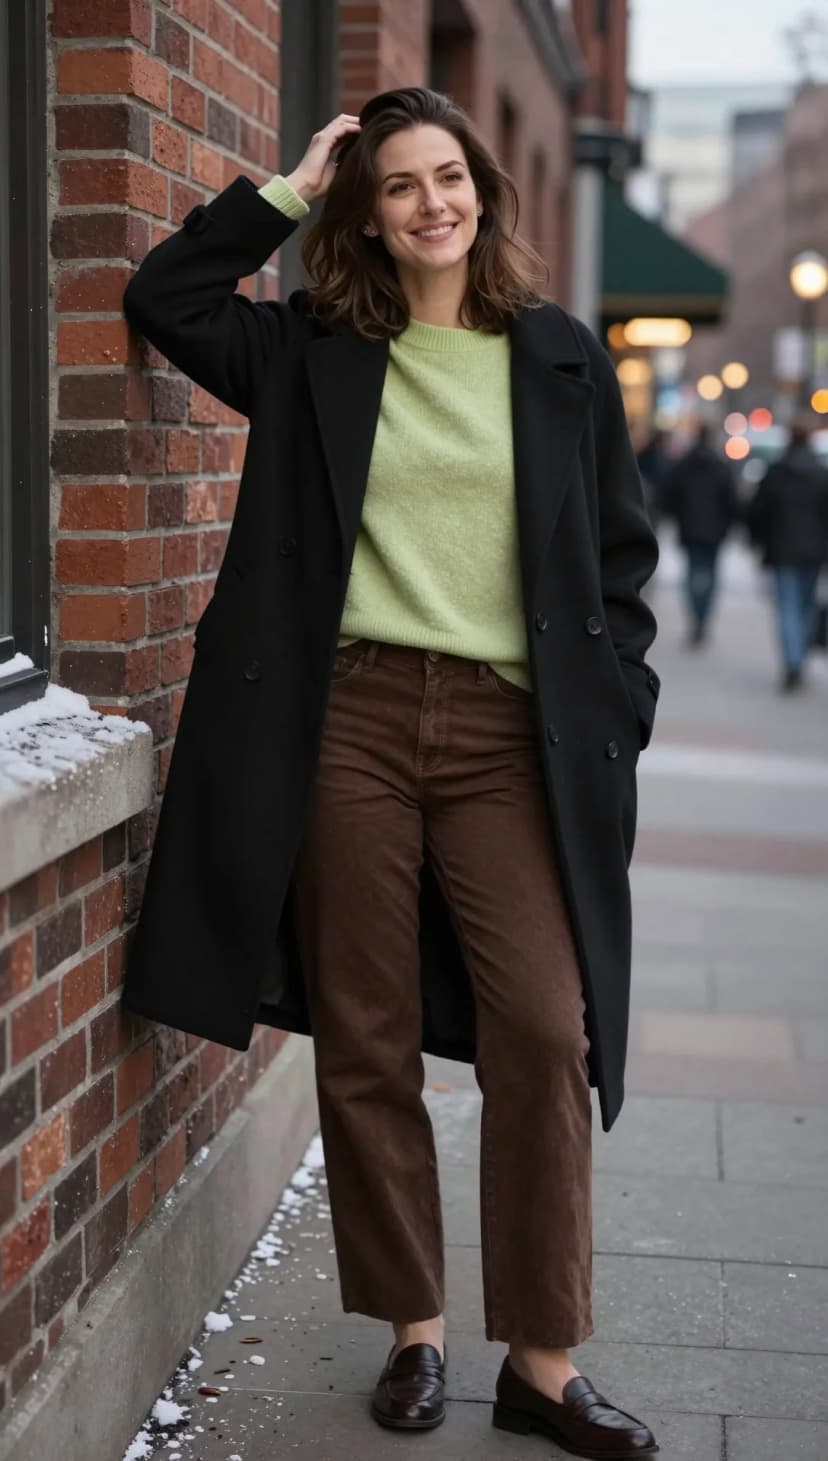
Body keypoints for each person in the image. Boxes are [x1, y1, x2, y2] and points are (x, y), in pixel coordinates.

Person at [121, 88, 661, 1456]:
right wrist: (292, 187)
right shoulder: (316, 346)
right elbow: (167, 298)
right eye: (401, 185)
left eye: (450, 177)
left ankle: (543, 1361)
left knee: (543, 1024)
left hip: (507, 736)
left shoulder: (557, 355)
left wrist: (623, 707)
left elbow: (618, 558)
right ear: (367, 214)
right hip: (347, 718)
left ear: (484, 190)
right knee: (367, 1031)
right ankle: (415, 1331)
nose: (434, 203)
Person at [747, 415, 828, 691]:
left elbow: (759, 510)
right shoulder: (821, 473)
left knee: (788, 606)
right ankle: (798, 657)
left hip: (783, 548)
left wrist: (757, 539)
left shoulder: (777, 472)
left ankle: (793, 659)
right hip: (813, 551)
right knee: (805, 606)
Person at [662, 422, 739, 645]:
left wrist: (678, 517)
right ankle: (702, 616)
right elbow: (731, 501)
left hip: (690, 528)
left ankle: (696, 616)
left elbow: (671, 495)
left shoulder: (684, 466)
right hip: (714, 531)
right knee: (709, 575)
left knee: (692, 573)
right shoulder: (721, 467)